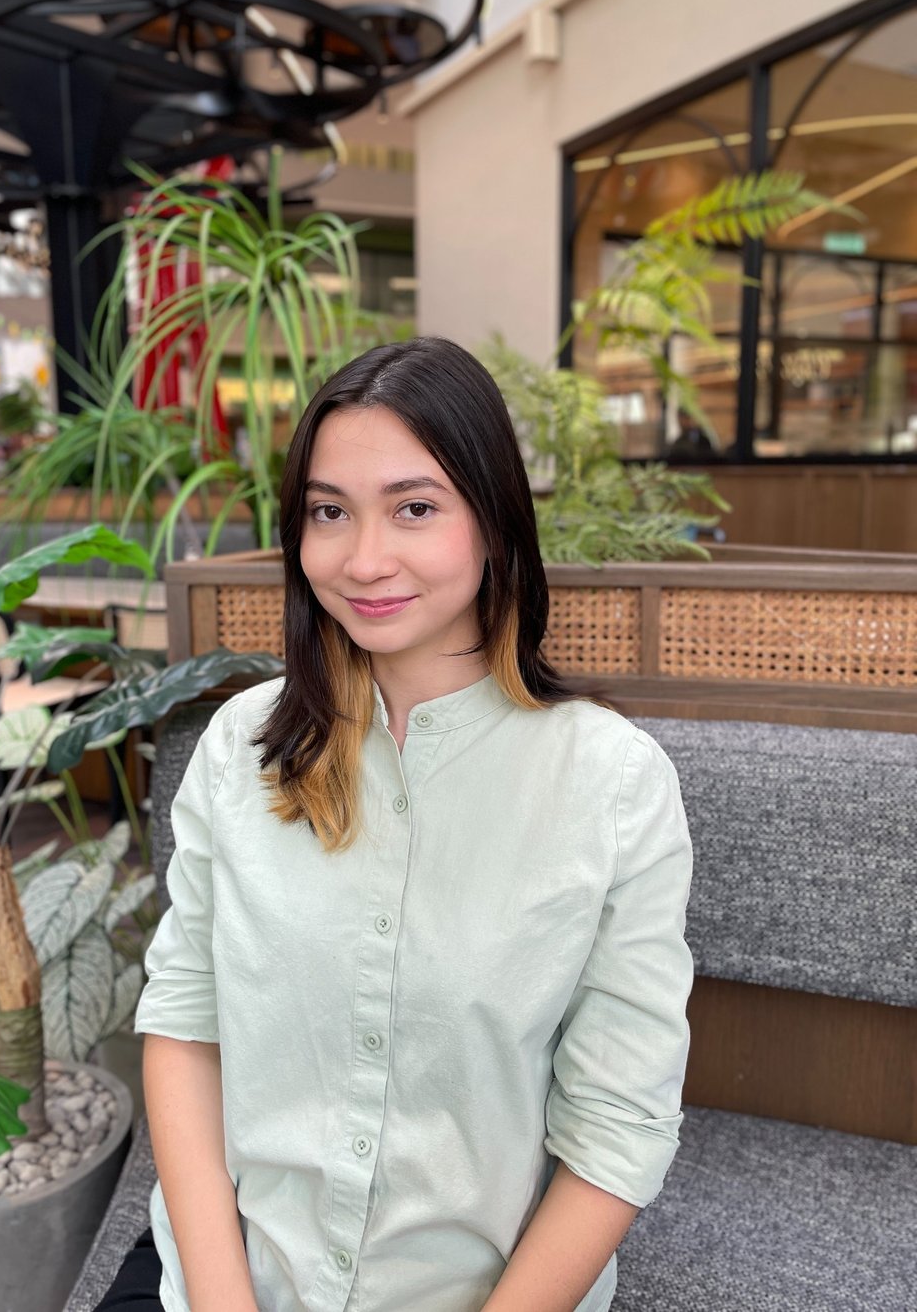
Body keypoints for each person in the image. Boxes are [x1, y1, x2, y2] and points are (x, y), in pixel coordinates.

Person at [99, 336, 694, 1312]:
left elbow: (617, 1127)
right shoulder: (240, 746)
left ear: (493, 520)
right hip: (232, 1276)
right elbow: (185, 1027)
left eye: (415, 508)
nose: (364, 559)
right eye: (329, 512)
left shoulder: (612, 784)